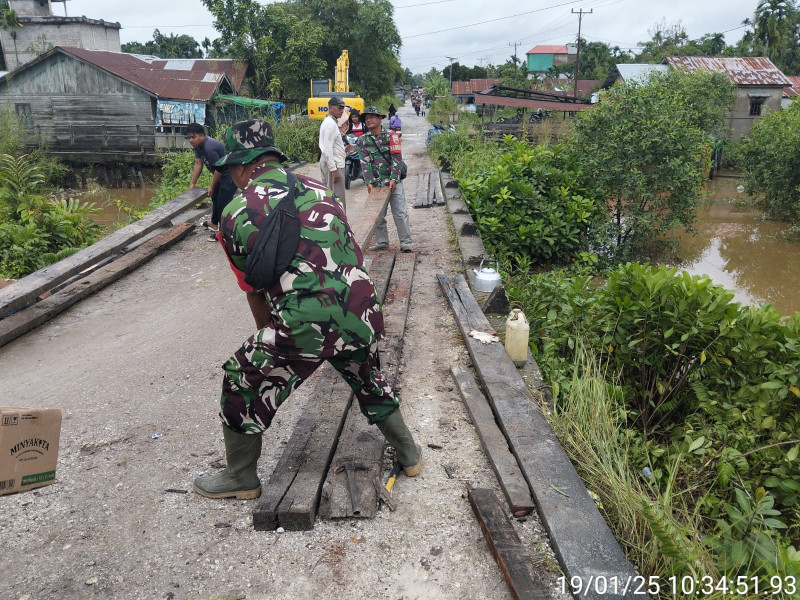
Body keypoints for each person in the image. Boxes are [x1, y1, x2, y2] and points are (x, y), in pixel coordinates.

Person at [193, 119, 422, 500]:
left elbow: (254, 290)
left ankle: (240, 479)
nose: (232, 176)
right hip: (362, 310)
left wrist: (280, 347)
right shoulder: (320, 190)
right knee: (369, 381)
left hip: (304, 320)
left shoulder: (235, 211)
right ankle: (410, 456)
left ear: (244, 166)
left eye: (231, 169)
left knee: (240, 378)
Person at [357, 106, 413, 253]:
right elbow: (365, 163)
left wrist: (394, 178)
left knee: (400, 212)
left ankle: (406, 243)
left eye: (372, 117)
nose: (369, 120)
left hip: (393, 181)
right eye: (366, 118)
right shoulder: (363, 140)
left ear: (380, 118)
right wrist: (368, 182)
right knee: (378, 215)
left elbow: (396, 158)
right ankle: (382, 242)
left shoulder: (391, 135)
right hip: (376, 183)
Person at [187, 123, 237, 241]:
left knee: (222, 203)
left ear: (202, 135)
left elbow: (219, 170)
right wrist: (192, 183)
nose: (191, 140)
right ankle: (214, 224)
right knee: (215, 197)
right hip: (221, 175)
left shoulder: (209, 147)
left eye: (193, 137)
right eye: (189, 137)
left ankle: (223, 234)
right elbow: (198, 164)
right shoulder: (198, 146)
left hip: (230, 175)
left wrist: (211, 186)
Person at [318, 96, 348, 212]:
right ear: (330, 107)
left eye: (342, 108)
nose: (341, 111)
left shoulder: (330, 122)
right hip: (334, 166)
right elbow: (327, 149)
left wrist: (344, 149)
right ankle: (340, 226)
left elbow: (331, 147)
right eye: (339, 108)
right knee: (337, 200)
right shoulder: (330, 124)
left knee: (331, 197)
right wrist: (334, 170)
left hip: (332, 163)